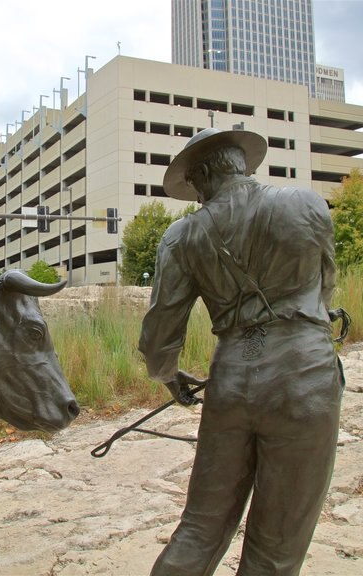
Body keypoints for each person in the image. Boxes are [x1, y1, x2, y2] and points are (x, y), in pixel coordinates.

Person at [139, 127, 344, 576]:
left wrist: (169, 375)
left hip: (231, 379)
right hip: (304, 375)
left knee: (198, 528)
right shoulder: (305, 203)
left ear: (208, 175)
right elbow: (326, 282)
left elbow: (158, 334)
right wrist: (316, 316)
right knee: (276, 548)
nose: (196, 197)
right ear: (241, 165)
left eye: (195, 185)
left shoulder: (181, 236)